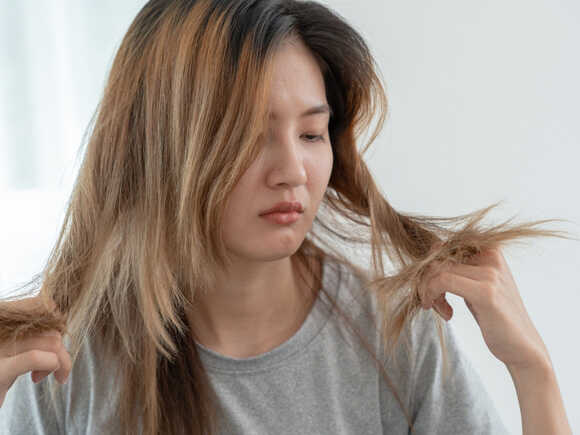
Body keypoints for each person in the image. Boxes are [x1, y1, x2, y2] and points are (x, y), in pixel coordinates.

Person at [0, 1, 573, 434]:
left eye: (312, 133)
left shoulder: (396, 334)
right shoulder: (65, 364)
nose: (293, 171)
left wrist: (534, 372)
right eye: (250, 135)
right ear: (162, 146)